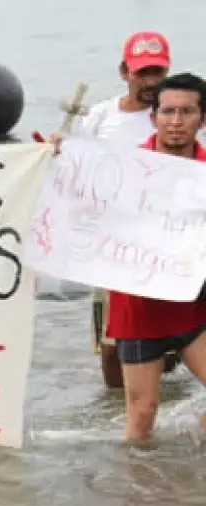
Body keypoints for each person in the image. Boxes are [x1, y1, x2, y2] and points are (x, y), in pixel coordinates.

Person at [63, 31, 174, 388]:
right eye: (142, 73)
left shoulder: (174, 116)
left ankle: (161, 404)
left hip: (163, 241)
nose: (150, 81)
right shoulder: (101, 116)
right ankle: (116, 404)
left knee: (170, 340)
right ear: (124, 72)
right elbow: (77, 167)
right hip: (111, 243)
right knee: (111, 342)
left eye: (157, 72)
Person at [104, 72, 206, 443]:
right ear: (153, 117)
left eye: (186, 112)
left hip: (195, 304)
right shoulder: (124, 167)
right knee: (142, 412)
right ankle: (136, 479)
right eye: (167, 112)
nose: (176, 121)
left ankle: (187, 471)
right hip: (139, 306)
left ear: (202, 119)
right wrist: (54, 156)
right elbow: (76, 197)